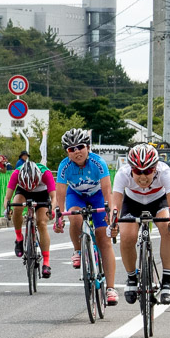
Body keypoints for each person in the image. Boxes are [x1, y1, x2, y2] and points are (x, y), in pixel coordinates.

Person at [110, 144, 170, 305]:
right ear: (131, 169)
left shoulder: (165, 171)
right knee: (127, 236)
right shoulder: (123, 173)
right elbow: (115, 205)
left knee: (168, 228)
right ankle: (131, 278)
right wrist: (112, 225)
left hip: (158, 200)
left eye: (148, 171)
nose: (143, 177)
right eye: (138, 171)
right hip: (132, 202)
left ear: (155, 168)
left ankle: (167, 282)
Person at [54, 128, 118, 305]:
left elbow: (107, 190)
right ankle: (77, 250)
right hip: (77, 196)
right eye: (71, 149)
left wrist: (109, 212)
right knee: (75, 217)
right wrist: (58, 215)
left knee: (103, 239)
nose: (76, 152)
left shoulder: (98, 163)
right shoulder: (64, 166)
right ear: (67, 152)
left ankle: (111, 288)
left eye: (80, 147)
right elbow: (60, 193)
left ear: (88, 147)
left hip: (97, 197)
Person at [4, 160, 56, 277]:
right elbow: (7, 198)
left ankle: (46, 262)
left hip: (41, 193)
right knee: (16, 205)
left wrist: (51, 210)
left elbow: (54, 197)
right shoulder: (16, 174)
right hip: (23, 192)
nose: (31, 188)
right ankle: (19, 238)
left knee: (42, 223)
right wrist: (8, 209)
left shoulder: (46, 174)